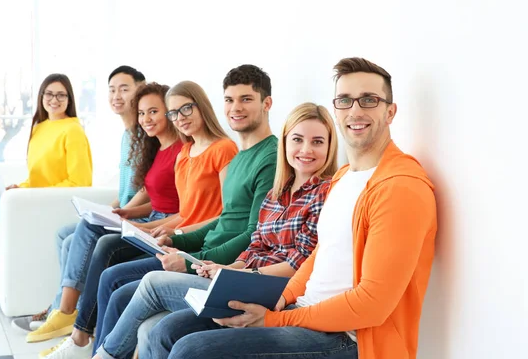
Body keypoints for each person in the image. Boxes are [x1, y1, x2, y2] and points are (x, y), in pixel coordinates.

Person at [147, 57, 438, 359]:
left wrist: (275, 318)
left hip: (350, 338)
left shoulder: (401, 186)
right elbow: (317, 256)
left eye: (368, 100)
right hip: (301, 309)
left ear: (390, 111)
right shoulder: (344, 176)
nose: (355, 111)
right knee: (168, 331)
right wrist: (280, 300)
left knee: (191, 351)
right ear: (336, 110)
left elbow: (372, 305)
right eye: (345, 100)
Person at [43, 64, 277, 359]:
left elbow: (251, 233)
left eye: (246, 99)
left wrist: (191, 257)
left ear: (266, 103)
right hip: (200, 250)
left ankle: (84, 342)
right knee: (109, 272)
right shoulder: (241, 153)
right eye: (230, 100)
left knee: (118, 278)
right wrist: (174, 239)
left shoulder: (258, 155)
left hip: (215, 262)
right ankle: (84, 342)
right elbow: (224, 218)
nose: (235, 108)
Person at [93, 102, 340, 359]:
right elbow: (255, 244)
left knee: (153, 283)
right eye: (298, 140)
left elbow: (300, 262)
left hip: (274, 290)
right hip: (245, 278)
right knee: (149, 327)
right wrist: (229, 269)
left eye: (317, 142)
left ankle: (103, 356)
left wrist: (244, 273)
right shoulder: (276, 193)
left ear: (330, 147)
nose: (306, 150)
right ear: (286, 143)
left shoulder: (325, 193)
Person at [11, 65, 147, 333]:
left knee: (76, 237)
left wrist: (123, 211)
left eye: (124, 89)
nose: (116, 95)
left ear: (141, 89)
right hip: (127, 211)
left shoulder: (146, 134)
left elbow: (149, 190)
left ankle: (63, 311)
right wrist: (109, 208)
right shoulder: (126, 136)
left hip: (140, 217)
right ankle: (66, 308)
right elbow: (128, 190)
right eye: (111, 90)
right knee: (64, 234)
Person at [0, 73, 93, 313]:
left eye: (61, 94)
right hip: (33, 199)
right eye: (49, 94)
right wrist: (22, 187)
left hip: (48, 203)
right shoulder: (40, 128)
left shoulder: (73, 130)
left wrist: (33, 193)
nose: (54, 99)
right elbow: (39, 175)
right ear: (41, 97)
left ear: (69, 99)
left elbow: (80, 181)